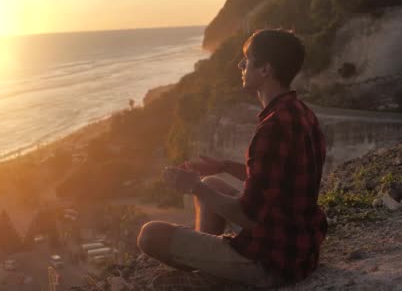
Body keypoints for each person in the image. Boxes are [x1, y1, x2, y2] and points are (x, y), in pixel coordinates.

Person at [137, 29, 327, 287]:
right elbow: (277, 182)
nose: (241, 65)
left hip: (272, 262)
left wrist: (193, 186)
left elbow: (249, 217)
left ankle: (221, 274)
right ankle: (212, 264)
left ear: (265, 70)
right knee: (214, 181)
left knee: (150, 235)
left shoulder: (273, 129)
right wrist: (223, 166)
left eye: (247, 59)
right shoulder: (301, 113)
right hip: (300, 248)